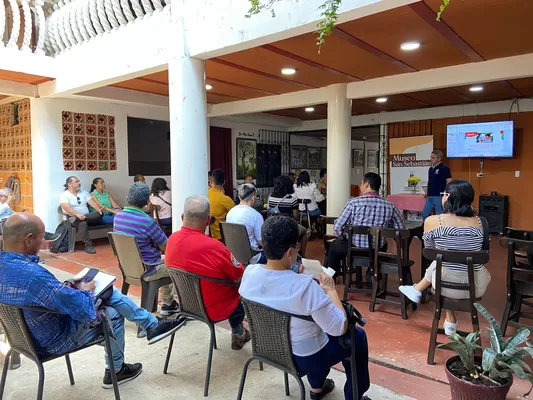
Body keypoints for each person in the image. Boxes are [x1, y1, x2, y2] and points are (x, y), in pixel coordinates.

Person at [0, 213, 186, 388]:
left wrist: (68, 285)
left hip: (22, 338)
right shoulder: (34, 275)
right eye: (41, 238)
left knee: (106, 293)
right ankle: (117, 369)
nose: (43, 243)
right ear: (28, 239)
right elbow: (82, 308)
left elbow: (44, 294)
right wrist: (85, 290)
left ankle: (150, 325)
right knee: (111, 311)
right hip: (53, 340)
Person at [239, 216, 371, 400]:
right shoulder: (304, 286)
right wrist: (331, 290)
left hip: (267, 349)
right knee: (356, 336)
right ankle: (354, 395)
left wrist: (291, 272)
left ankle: (317, 388)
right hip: (304, 359)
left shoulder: (250, 273)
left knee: (313, 329)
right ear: (289, 252)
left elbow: (275, 286)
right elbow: (339, 327)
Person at [399, 180, 491, 335]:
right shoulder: (481, 222)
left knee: (440, 262)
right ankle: (449, 319)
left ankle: (418, 290)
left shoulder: (433, 221)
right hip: (475, 286)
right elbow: (483, 250)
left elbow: (429, 248)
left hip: (444, 285)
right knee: (445, 263)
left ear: (448, 196)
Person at [165, 195, 250, 350]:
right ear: (208, 220)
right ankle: (238, 331)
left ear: (182, 217)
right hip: (215, 308)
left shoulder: (171, 240)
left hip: (187, 305)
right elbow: (238, 275)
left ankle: (238, 332)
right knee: (246, 289)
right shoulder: (214, 246)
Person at [114, 183, 178, 316]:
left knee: (164, 260)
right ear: (147, 202)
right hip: (148, 270)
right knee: (174, 263)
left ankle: (161, 304)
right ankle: (167, 304)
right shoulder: (147, 221)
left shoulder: (118, 217)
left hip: (128, 268)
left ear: (127, 198)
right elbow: (166, 247)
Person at [327, 172, 405, 276]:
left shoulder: (353, 203)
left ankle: (331, 276)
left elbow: (337, 227)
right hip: (377, 250)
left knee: (333, 247)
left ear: (366, 184)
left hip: (353, 248)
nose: (360, 186)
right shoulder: (390, 206)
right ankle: (372, 274)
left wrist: (343, 237)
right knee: (383, 244)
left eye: (361, 183)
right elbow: (401, 230)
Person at [60, 176, 103, 254]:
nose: (79, 183)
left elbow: (92, 203)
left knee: (99, 214)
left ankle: (80, 218)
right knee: (82, 222)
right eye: (76, 182)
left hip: (88, 217)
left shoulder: (84, 193)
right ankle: (88, 244)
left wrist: (98, 210)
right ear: (69, 184)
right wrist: (77, 215)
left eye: (79, 181)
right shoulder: (64, 195)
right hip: (72, 217)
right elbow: (66, 208)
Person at [268, 175, 309, 257]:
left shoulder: (270, 198)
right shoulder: (291, 199)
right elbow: (296, 217)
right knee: (304, 231)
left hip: (273, 227)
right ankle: (302, 255)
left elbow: (269, 213)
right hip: (288, 227)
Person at [226, 184, 264, 262]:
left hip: (234, 255)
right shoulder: (256, 216)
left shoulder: (231, 212)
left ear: (239, 197)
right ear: (253, 197)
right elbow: (261, 242)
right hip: (253, 257)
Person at [422, 150, 452, 220]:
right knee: (424, 214)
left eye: (433, 158)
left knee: (440, 215)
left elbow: (449, 181)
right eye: (431, 157)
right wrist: (427, 191)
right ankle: (426, 229)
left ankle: (440, 230)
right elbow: (430, 181)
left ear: (439, 158)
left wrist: (445, 193)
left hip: (439, 195)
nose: (431, 159)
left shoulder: (444, 168)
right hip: (430, 195)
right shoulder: (431, 169)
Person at [208, 169, 235, 240]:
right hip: (219, 237)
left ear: (210, 181)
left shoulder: (204, 194)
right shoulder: (225, 199)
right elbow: (237, 214)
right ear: (224, 182)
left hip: (206, 235)